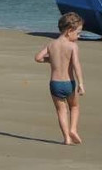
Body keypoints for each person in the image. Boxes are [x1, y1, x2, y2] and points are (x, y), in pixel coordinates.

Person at [35, 11, 86, 145]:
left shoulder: (51, 45)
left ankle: (66, 138)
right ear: (69, 31)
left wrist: (51, 60)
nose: (79, 36)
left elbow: (38, 58)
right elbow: (76, 65)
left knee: (61, 110)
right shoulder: (72, 46)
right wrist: (81, 83)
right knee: (74, 107)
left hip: (55, 84)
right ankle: (73, 129)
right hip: (69, 83)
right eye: (78, 33)